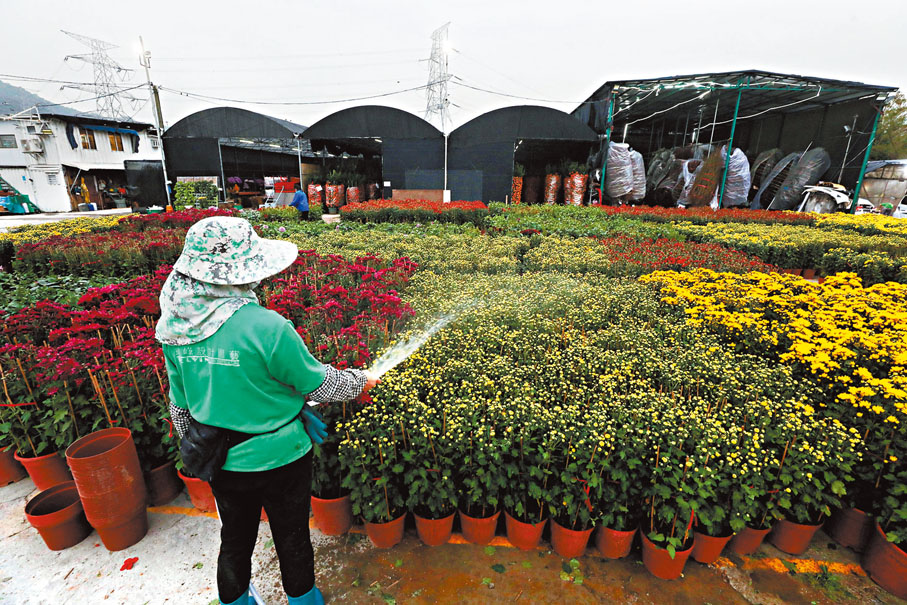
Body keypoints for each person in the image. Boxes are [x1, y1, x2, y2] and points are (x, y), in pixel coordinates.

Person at [156, 217, 379, 605]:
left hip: (223, 462)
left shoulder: (177, 330)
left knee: (235, 541)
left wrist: (206, 449)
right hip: (283, 458)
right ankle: (303, 600)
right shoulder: (266, 326)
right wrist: (361, 382)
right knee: (292, 536)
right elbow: (318, 383)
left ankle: (235, 601)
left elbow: (181, 408)